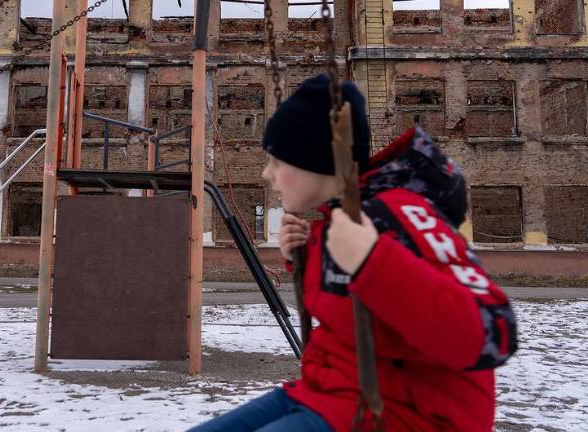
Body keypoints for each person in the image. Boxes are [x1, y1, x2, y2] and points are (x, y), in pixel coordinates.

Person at [190, 75, 517, 431]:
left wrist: (373, 260)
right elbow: (354, 303)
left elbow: (492, 331)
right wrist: (303, 257)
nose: (267, 174)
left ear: (317, 160)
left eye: (277, 161)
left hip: (408, 416)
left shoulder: (402, 214)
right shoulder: (339, 224)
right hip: (330, 392)